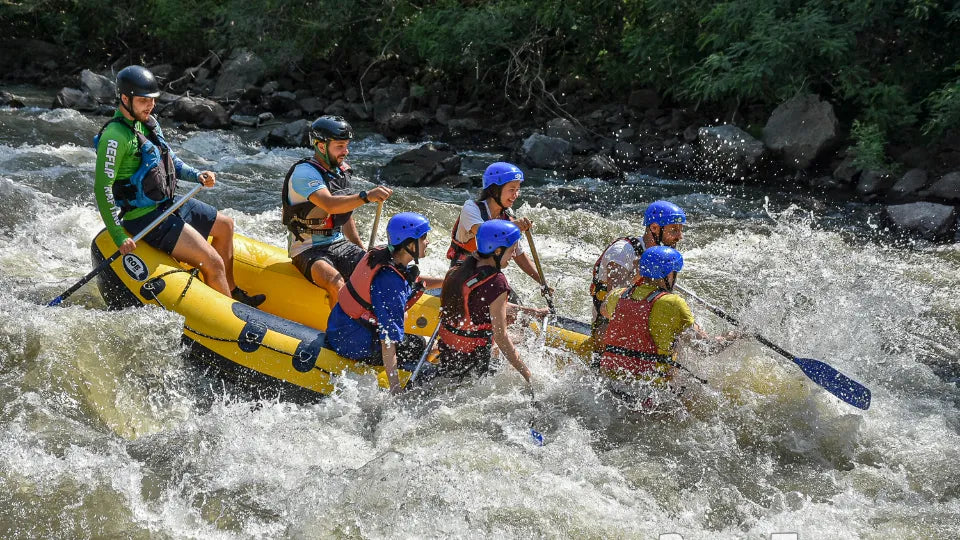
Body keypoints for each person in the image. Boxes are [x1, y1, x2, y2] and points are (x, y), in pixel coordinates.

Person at [93, 65, 264, 307]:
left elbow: (169, 160)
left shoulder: (148, 122)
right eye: (143, 101)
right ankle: (233, 314)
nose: (150, 106)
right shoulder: (114, 137)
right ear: (124, 98)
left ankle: (231, 290)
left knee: (225, 225)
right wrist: (118, 235)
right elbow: (102, 189)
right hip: (145, 217)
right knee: (212, 261)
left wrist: (197, 176)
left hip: (168, 205)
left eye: (152, 100)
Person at [325, 212, 444, 394]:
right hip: (354, 342)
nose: (427, 242)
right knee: (426, 345)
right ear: (410, 245)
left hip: (341, 326)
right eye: (424, 238)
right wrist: (395, 389)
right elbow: (387, 341)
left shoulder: (386, 256)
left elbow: (415, 280)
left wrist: (446, 282)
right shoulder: (390, 283)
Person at [599, 246, 731, 406]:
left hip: (609, 384)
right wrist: (738, 334)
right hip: (650, 392)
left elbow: (604, 311)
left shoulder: (618, 295)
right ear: (669, 274)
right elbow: (707, 347)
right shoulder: (673, 303)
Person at [282, 115, 393, 305]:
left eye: (346, 145)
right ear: (322, 146)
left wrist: (360, 249)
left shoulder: (341, 171)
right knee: (336, 283)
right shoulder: (304, 173)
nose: (346, 151)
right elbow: (330, 204)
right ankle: (337, 333)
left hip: (337, 242)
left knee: (380, 273)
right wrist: (366, 197)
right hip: (307, 248)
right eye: (340, 146)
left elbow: (343, 213)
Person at [435, 220, 541, 382]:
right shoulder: (497, 282)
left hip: (449, 354)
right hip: (475, 363)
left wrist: (531, 312)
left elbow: (481, 305)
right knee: (523, 337)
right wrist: (526, 372)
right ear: (497, 251)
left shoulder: (459, 269)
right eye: (511, 251)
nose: (513, 256)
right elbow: (501, 336)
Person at [589, 200, 686, 343]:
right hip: (607, 327)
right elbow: (613, 303)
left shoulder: (662, 256)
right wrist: (639, 273)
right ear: (654, 228)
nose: (680, 236)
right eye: (673, 230)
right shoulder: (623, 251)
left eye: (680, 230)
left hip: (643, 320)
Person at [446, 162, 547, 292]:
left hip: (487, 277)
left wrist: (542, 282)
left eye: (517, 190)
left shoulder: (507, 217)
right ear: (494, 190)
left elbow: (519, 255)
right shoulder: (471, 208)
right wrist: (513, 226)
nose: (515, 195)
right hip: (461, 276)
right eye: (511, 189)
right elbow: (483, 232)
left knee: (511, 298)